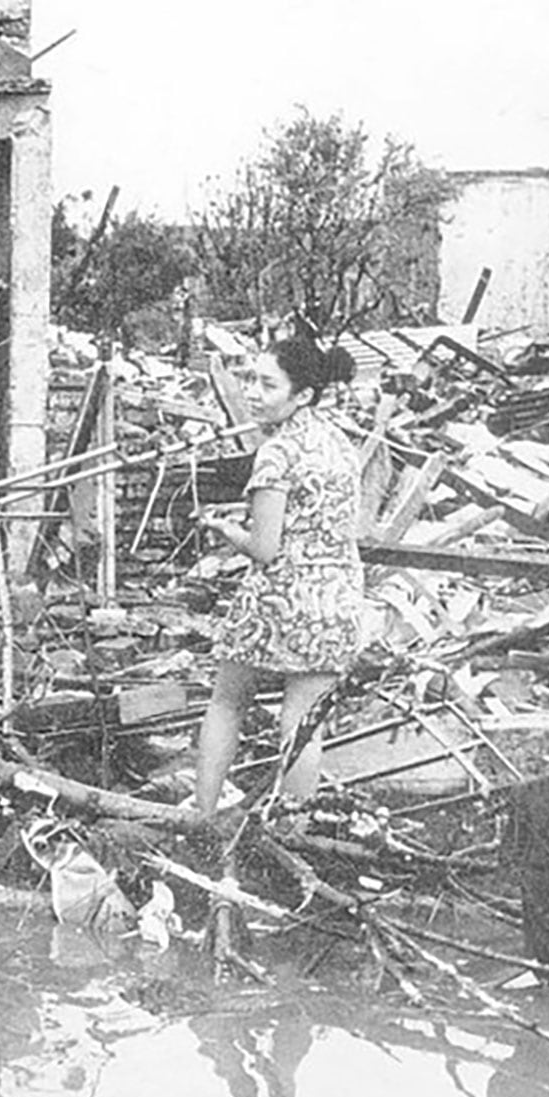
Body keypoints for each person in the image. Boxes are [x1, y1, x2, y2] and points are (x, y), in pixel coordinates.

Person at [193, 334, 365, 816]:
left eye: (267, 384)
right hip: (337, 598)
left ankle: (203, 818)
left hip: (281, 598)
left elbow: (266, 548)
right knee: (303, 724)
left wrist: (226, 528)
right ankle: (295, 833)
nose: (251, 391)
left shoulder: (277, 453)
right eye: (250, 379)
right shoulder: (339, 443)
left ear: (302, 395)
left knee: (227, 701)